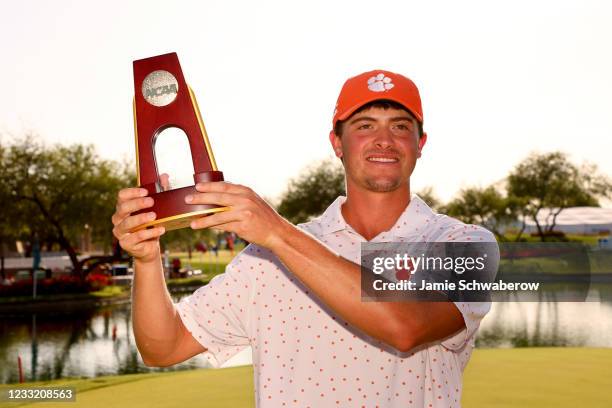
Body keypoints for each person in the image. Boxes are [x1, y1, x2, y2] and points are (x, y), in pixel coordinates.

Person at [111, 70, 499, 407]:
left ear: (420, 144)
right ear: (337, 143)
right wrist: (146, 259)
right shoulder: (266, 258)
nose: (384, 139)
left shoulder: (461, 242)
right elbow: (163, 346)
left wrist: (278, 233)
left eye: (400, 126)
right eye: (365, 125)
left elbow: (406, 327)